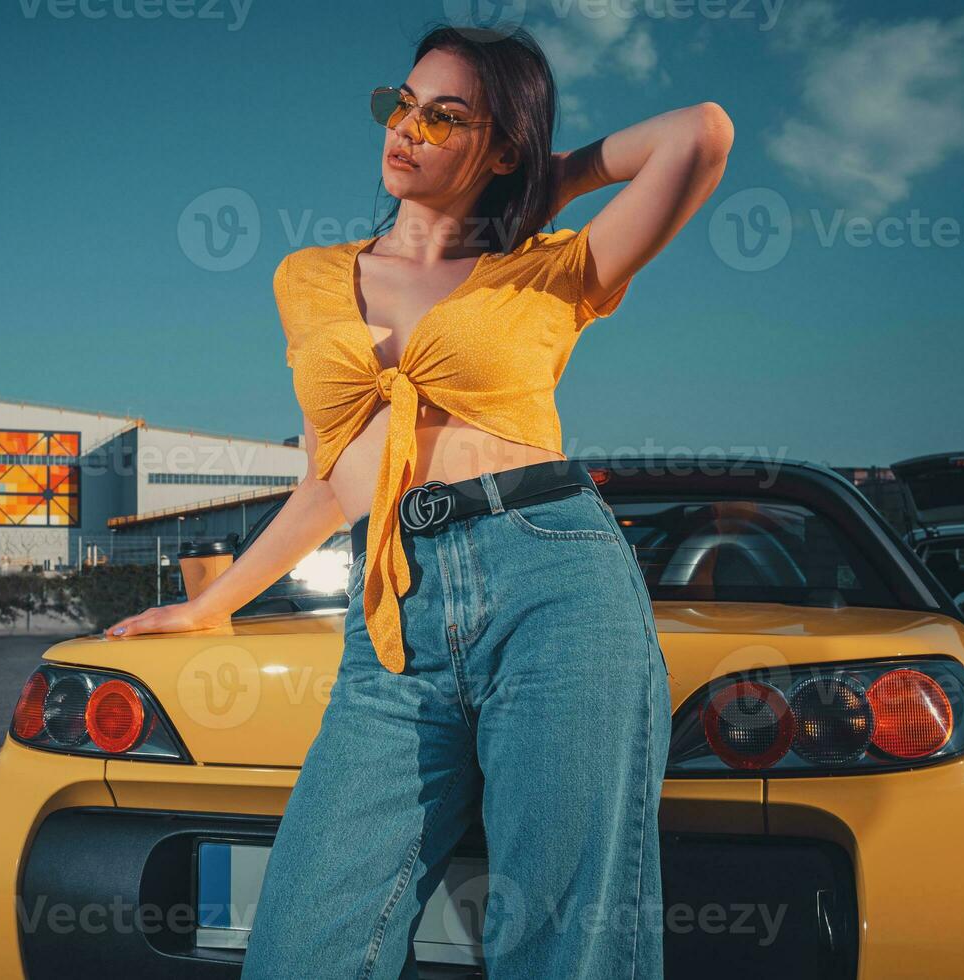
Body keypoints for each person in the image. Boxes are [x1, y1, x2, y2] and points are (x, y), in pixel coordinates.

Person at [102, 22, 732, 979]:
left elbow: (702, 134)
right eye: (402, 104)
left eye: (446, 118)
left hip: (555, 579)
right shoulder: (308, 276)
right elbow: (330, 475)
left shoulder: (551, 269)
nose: (408, 129)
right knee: (306, 943)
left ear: (502, 144)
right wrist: (211, 602)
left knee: (568, 940)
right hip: (393, 610)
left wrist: (543, 183)